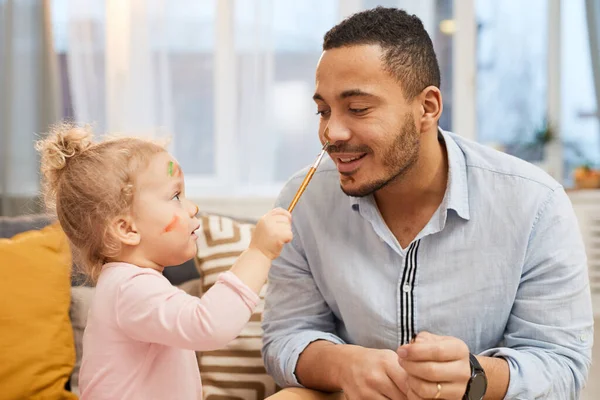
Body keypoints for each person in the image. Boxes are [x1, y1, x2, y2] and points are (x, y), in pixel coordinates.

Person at [262, 7, 593, 400]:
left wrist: (476, 377)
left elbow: (562, 365)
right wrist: (345, 365)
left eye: (358, 109)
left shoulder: (536, 203)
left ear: (428, 107)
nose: (331, 131)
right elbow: (285, 335)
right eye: (324, 110)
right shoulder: (303, 200)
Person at [36, 124, 293, 399]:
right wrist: (259, 252)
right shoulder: (130, 289)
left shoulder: (130, 284)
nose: (192, 207)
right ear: (127, 229)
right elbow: (210, 324)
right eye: (175, 196)